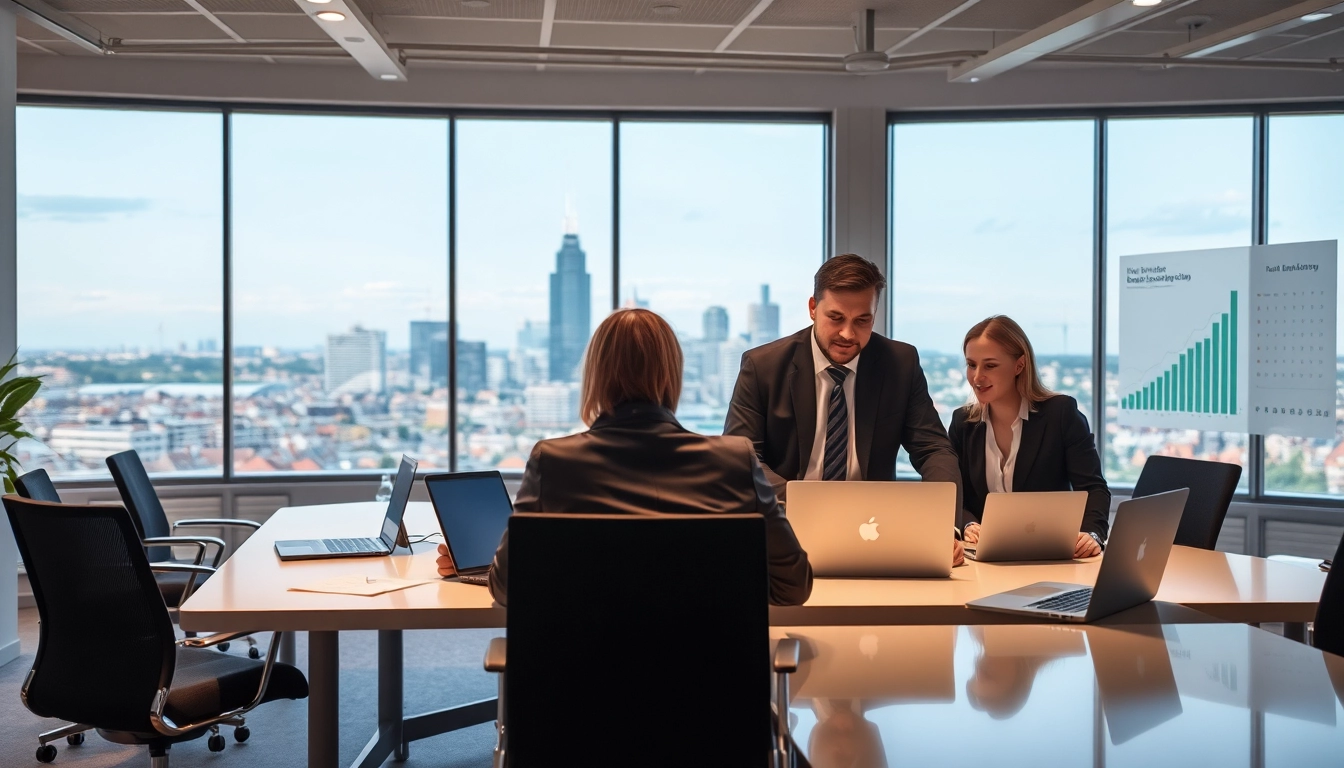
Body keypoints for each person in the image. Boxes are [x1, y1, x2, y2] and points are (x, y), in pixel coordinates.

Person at [437, 307, 813, 606]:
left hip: (584, 696)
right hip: (713, 694)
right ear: (673, 375)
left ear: (596, 376)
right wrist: (709, 593)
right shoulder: (734, 460)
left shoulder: (554, 462)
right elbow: (792, 586)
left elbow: (505, 590)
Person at [724, 253, 964, 565]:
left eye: (862, 320)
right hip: (787, 526)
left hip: (875, 532)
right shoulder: (763, 366)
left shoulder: (899, 364)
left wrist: (944, 525)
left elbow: (934, 450)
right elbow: (743, 458)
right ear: (813, 308)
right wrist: (813, 504)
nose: (848, 334)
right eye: (836, 318)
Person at [948, 315, 1110, 558]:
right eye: (972, 365)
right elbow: (956, 495)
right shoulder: (963, 423)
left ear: (1019, 365)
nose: (977, 377)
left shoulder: (1061, 414)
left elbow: (1094, 488)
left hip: (1050, 556)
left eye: (990, 365)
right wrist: (969, 525)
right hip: (983, 560)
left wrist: (1092, 534)